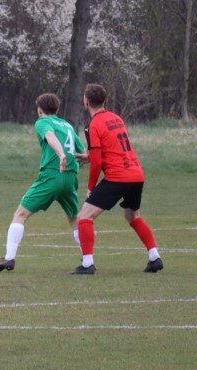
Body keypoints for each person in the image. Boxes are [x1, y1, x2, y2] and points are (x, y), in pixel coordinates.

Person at [70, 84, 163, 275]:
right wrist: (90, 156)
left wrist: (90, 187)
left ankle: (87, 264)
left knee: (84, 217)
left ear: (86, 102)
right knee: (132, 216)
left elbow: (98, 162)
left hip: (118, 176)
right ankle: (155, 257)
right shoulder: (116, 118)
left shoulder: (93, 125)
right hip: (136, 174)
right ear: (104, 100)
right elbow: (112, 148)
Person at [0, 93, 84, 272]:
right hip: (71, 176)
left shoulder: (42, 122)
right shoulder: (67, 125)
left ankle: (9, 258)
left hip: (52, 175)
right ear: (57, 109)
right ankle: (87, 259)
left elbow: (50, 136)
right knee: (74, 218)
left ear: (40, 110)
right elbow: (83, 152)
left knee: (20, 214)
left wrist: (61, 155)